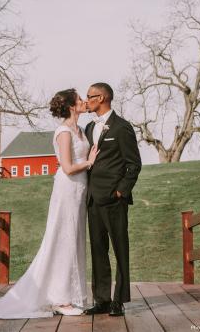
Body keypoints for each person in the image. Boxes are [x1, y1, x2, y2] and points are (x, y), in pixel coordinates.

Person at [0, 88, 98, 319]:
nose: (84, 101)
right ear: (70, 106)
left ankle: (73, 295)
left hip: (80, 191)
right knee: (62, 239)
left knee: (74, 239)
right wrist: (89, 162)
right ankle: (60, 298)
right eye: (79, 99)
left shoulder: (82, 130)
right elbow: (66, 167)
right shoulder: (63, 132)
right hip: (67, 189)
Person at [83, 82, 141, 317]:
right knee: (98, 251)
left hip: (114, 200)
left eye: (90, 96)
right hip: (93, 201)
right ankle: (102, 299)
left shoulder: (122, 128)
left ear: (102, 97)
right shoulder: (88, 128)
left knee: (120, 249)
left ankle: (119, 300)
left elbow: (133, 164)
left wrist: (120, 191)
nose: (86, 100)